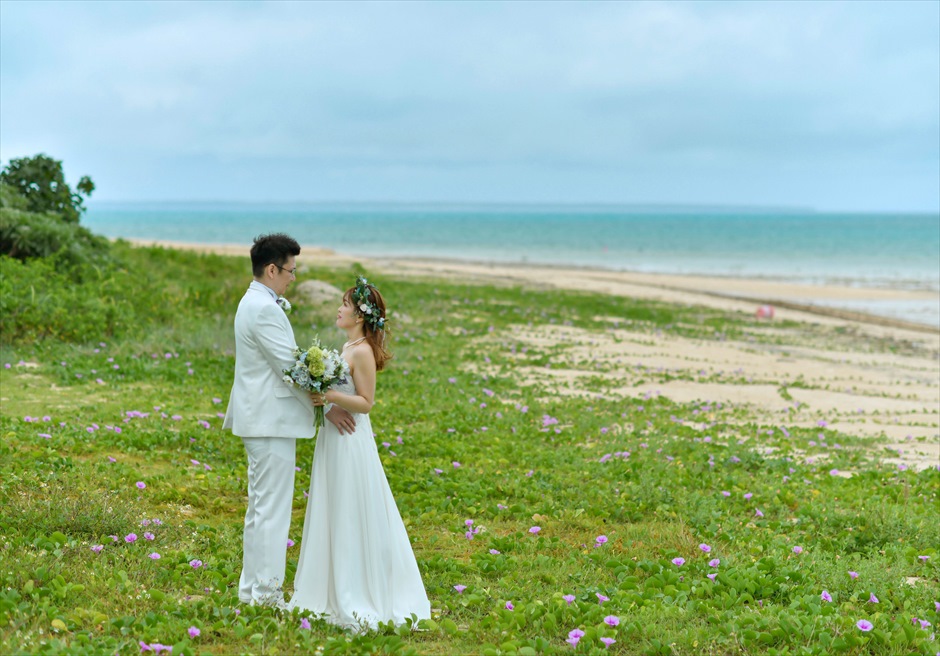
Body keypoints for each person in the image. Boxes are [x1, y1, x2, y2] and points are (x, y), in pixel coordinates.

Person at [290, 276, 431, 630]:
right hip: (334, 438)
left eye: (345, 305)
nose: (339, 309)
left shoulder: (363, 351)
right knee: (333, 504)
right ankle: (328, 584)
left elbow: (366, 403)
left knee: (351, 506)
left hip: (351, 440)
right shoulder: (347, 345)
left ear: (360, 315)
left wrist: (330, 396)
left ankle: (357, 588)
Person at [222, 233, 355, 608]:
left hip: (264, 419)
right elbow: (292, 368)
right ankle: (265, 595)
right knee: (271, 511)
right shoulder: (263, 309)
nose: (293, 278)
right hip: (269, 420)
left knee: (262, 508)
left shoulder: (254, 302)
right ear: (271, 269)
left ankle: (252, 591)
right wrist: (330, 405)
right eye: (290, 271)